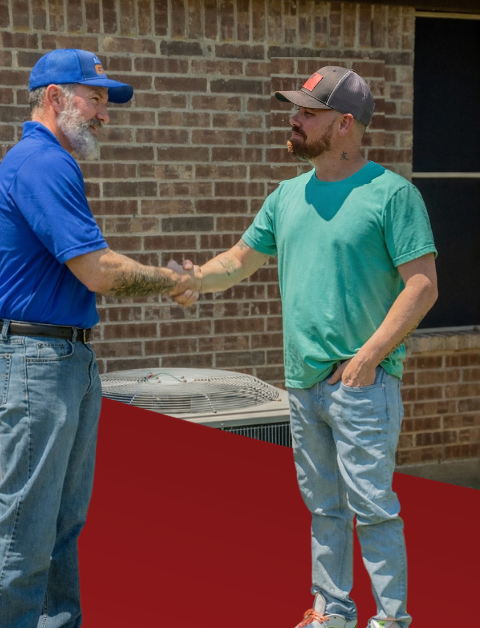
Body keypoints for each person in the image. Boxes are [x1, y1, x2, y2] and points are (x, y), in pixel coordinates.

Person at [177, 66, 437, 628]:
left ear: (344, 124)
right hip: (302, 382)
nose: (293, 120)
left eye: (306, 112)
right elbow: (239, 261)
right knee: (324, 508)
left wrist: (369, 357)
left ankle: (391, 619)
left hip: (363, 383)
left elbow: (422, 285)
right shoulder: (286, 195)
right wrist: (195, 279)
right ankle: (332, 610)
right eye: (295, 111)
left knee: (372, 508)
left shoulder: (392, 195)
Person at [0, 49, 199, 628]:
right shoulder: (42, 164)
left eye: (105, 101)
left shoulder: (49, 162)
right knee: (27, 525)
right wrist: (172, 280)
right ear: (55, 97)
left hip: (61, 356)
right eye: (95, 97)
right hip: (35, 359)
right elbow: (98, 270)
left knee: (61, 523)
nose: (104, 114)